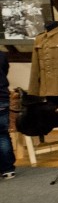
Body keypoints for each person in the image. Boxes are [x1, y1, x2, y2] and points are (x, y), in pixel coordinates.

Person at [0, 50, 15, 180]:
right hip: (2, 97)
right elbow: (4, 71)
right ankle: (8, 169)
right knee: (3, 134)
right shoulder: (2, 55)